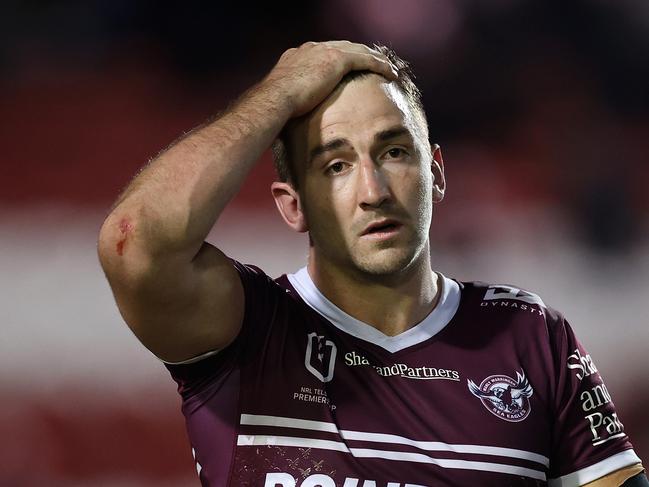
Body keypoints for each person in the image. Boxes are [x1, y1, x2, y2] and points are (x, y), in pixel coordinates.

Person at [98, 41, 646, 486]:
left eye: (394, 152)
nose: (373, 189)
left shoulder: (532, 337)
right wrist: (280, 92)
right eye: (336, 165)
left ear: (436, 172)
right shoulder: (248, 331)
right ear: (294, 206)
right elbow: (134, 244)